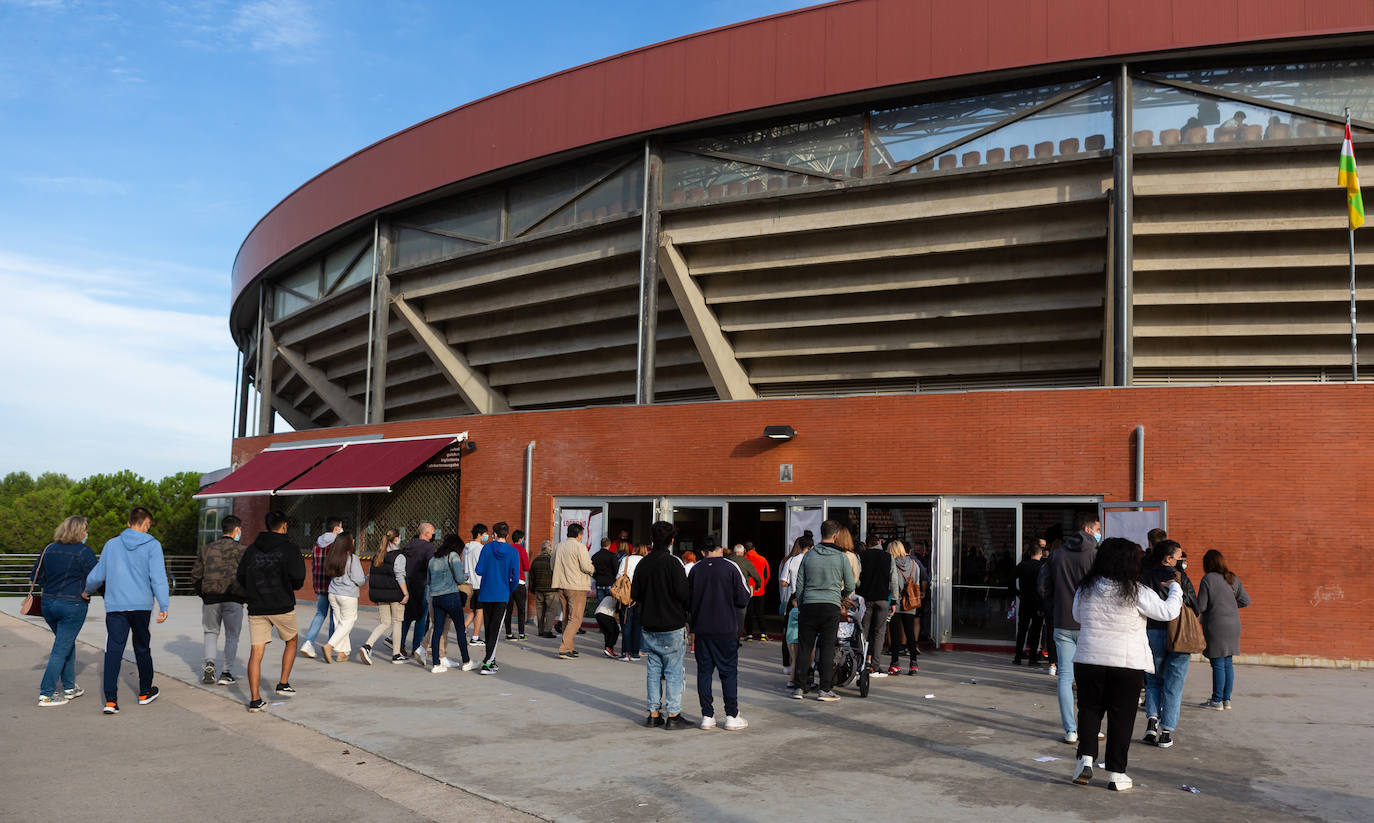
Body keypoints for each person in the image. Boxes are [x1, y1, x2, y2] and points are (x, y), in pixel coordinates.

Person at [1069, 537, 1181, 792]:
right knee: (1122, 717)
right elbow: (1167, 613)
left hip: (1088, 659)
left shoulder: (1085, 588)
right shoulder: (1136, 590)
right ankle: (1116, 774)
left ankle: (1085, 760)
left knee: (1089, 710)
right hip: (1126, 663)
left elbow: (1077, 616)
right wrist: (1176, 588)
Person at [84, 506, 169, 715]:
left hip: (116, 606)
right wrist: (163, 605)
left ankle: (111, 701)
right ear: (144, 522)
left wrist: (87, 590)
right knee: (142, 647)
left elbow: (97, 574)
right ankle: (144, 692)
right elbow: (157, 577)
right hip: (141, 606)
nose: (149, 529)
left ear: (129, 521)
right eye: (149, 525)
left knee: (113, 650)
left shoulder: (112, 544)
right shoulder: (153, 546)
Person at [236, 509, 307, 713]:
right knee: (292, 641)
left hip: (257, 607)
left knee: (256, 652)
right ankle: (283, 683)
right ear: (284, 526)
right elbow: (298, 577)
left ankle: (255, 700)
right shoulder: (290, 548)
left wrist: (252, 592)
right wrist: (288, 586)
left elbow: (241, 575)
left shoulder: (251, 549)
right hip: (282, 605)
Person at [1044, 511, 1101, 743]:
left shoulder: (1057, 555)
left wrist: (1055, 609)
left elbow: (1043, 587)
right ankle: (1092, 727)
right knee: (1092, 679)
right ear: (1088, 530)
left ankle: (1071, 730)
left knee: (1065, 677)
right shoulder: (1097, 556)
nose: (1099, 533)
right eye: (1097, 529)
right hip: (1090, 623)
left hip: (1063, 623)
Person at [32, 515, 97, 706]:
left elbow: (35, 575)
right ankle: (47, 694)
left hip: (48, 604)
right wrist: (88, 591)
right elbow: (95, 578)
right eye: (85, 529)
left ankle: (69, 687)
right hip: (73, 604)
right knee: (61, 648)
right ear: (79, 531)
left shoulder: (49, 549)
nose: (87, 533)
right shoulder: (84, 551)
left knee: (66, 643)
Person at [631, 520, 690, 729]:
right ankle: (673, 715)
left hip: (649, 624)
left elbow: (634, 594)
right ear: (671, 541)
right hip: (672, 623)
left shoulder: (643, 563)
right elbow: (684, 594)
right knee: (673, 671)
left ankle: (654, 713)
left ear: (652, 540)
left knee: (653, 670)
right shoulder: (673, 563)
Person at [689, 537, 752, 730]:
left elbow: (687, 600)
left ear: (702, 552)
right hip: (725, 628)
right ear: (721, 549)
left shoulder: (695, 569)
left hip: (701, 628)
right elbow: (743, 598)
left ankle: (707, 715)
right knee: (728, 672)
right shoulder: (731, 567)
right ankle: (731, 714)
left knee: (704, 672)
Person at [790, 519, 855, 702]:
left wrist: (802, 604)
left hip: (809, 605)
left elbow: (800, 584)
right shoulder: (841, 557)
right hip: (830, 606)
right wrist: (840, 595)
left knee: (804, 648)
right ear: (835, 536)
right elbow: (850, 584)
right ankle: (825, 689)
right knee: (827, 648)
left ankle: (799, 687)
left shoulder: (809, 555)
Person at [1140, 539, 1197, 748]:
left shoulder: (1145, 576)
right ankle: (1166, 732)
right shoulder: (1180, 577)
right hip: (1179, 635)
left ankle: (1152, 722)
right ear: (1168, 558)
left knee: (1153, 680)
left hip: (1152, 632)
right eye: (1179, 556)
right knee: (1174, 683)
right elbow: (1194, 603)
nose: (1181, 560)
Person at [192, 514, 247, 685]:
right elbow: (249, 576)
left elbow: (195, 575)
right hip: (234, 598)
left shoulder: (207, 548)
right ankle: (226, 672)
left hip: (211, 599)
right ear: (236, 530)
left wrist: (204, 594)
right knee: (232, 636)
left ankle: (209, 664)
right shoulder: (243, 550)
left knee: (210, 632)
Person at [1196, 549, 1251, 710]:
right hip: (1234, 625)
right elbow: (1245, 600)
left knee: (1218, 663)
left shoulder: (1208, 579)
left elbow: (1201, 606)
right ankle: (1226, 700)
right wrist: (1230, 606)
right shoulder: (1232, 578)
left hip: (1216, 625)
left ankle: (1216, 700)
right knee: (1228, 662)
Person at [473, 521, 521, 674]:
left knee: (488, 628)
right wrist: (509, 589)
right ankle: (487, 662)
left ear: (494, 534)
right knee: (495, 628)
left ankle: (490, 660)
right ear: (507, 534)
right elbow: (515, 577)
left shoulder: (486, 548)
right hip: (502, 594)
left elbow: (479, 570)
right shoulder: (513, 552)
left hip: (486, 592)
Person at [360, 528, 409, 664]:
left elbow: (372, 574)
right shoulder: (399, 556)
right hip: (395, 593)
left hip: (380, 594)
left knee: (385, 622)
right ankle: (396, 654)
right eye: (399, 537)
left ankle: (367, 645)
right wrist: (406, 593)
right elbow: (400, 576)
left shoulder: (378, 555)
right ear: (396, 539)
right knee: (397, 622)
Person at [426, 535, 473, 672]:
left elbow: (428, 581)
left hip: (436, 598)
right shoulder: (452, 556)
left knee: (437, 630)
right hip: (451, 596)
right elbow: (459, 578)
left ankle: (436, 664)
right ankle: (466, 661)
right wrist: (466, 577)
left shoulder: (433, 559)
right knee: (460, 629)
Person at [856, 534, 901, 676]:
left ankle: (861, 663)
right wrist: (893, 601)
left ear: (868, 544)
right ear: (879, 542)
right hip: (882, 599)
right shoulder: (888, 557)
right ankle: (875, 665)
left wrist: (860, 589)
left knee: (863, 631)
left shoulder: (862, 556)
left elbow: (856, 579)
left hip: (866, 599)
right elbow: (894, 581)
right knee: (879, 632)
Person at [299, 516, 342, 660]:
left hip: (318, 583)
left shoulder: (317, 543)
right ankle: (330, 646)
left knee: (320, 613)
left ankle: (308, 642)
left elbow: (313, 564)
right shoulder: (336, 544)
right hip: (333, 585)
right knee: (333, 616)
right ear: (337, 528)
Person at [321, 532, 365, 664]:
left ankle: (342, 653)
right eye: (352, 540)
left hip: (333, 593)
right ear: (348, 543)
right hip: (348, 594)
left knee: (339, 622)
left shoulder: (333, 556)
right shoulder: (352, 558)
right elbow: (359, 580)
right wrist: (366, 578)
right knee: (348, 621)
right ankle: (329, 646)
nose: (353, 542)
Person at [553, 522, 594, 659]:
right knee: (575, 618)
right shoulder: (580, 547)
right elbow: (586, 566)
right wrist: (593, 569)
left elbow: (552, 565)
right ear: (579, 534)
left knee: (566, 617)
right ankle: (565, 648)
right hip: (576, 586)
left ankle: (569, 646)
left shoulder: (558, 546)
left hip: (561, 585)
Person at [400, 522, 437, 659]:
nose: (433, 534)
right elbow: (432, 566)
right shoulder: (429, 548)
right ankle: (417, 647)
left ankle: (400, 644)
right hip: (422, 584)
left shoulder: (408, 545)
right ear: (426, 533)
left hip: (407, 584)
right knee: (421, 617)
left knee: (406, 617)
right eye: (432, 532)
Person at [777, 535, 812, 674]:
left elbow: (783, 582)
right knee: (808, 633)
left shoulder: (790, 560)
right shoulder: (812, 560)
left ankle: (788, 664)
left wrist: (793, 582)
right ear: (810, 547)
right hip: (809, 598)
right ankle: (806, 666)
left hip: (793, 599)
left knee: (789, 633)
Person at [887, 540, 922, 676]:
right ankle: (913, 663)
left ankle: (895, 663)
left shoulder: (892, 564)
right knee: (910, 633)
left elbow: (891, 584)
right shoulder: (914, 564)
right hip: (910, 603)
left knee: (895, 634)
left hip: (895, 602)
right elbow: (917, 582)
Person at [1012, 541, 1046, 666]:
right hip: (1037, 602)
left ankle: (1018, 657)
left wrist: (1018, 593)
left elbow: (1010, 580)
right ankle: (1032, 658)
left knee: (1022, 630)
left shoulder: (1022, 565)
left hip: (1025, 600)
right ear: (1040, 553)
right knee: (1036, 631)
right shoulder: (1043, 567)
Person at [617, 544, 648, 661]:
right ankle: (635, 653)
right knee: (638, 625)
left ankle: (625, 652)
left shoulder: (626, 559)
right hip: (640, 596)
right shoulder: (646, 561)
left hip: (626, 595)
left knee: (626, 623)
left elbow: (619, 576)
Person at [725, 544, 761, 638]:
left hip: (727, 592)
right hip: (741, 592)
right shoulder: (746, 562)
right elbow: (757, 577)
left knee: (728, 614)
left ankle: (728, 635)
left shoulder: (727, 560)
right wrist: (758, 586)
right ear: (743, 551)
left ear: (734, 551)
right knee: (740, 617)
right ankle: (736, 638)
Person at [463, 523, 489, 645]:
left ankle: (462, 628)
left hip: (468, 583)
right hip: (479, 583)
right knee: (480, 610)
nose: (486, 536)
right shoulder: (481, 549)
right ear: (479, 534)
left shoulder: (466, 548)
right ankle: (475, 637)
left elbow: (463, 566)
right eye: (485, 534)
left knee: (473, 609)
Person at [743, 541, 771, 641]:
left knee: (749, 612)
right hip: (760, 589)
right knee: (760, 612)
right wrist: (763, 585)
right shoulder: (762, 559)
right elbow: (767, 574)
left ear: (745, 550)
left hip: (747, 589)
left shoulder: (744, 560)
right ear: (754, 548)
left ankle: (749, 634)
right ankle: (763, 633)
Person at [506, 528, 531, 640]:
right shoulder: (521, 550)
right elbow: (527, 567)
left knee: (509, 609)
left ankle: (509, 633)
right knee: (521, 609)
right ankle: (521, 633)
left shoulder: (507, 549)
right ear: (521, 539)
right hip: (519, 582)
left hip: (508, 582)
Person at [529, 539, 558, 637]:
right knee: (551, 611)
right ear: (550, 550)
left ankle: (540, 630)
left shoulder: (535, 560)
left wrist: (532, 589)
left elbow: (531, 576)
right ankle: (547, 631)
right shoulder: (552, 560)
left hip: (538, 590)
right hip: (551, 590)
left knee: (540, 611)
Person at [592, 535, 619, 603]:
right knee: (610, 606)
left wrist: (596, 577)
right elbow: (616, 569)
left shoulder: (595, 556)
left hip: (599, 583)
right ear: (609, 545)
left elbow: (591, 570)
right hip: (610, 583)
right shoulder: (612, 556)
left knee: (600, 605)